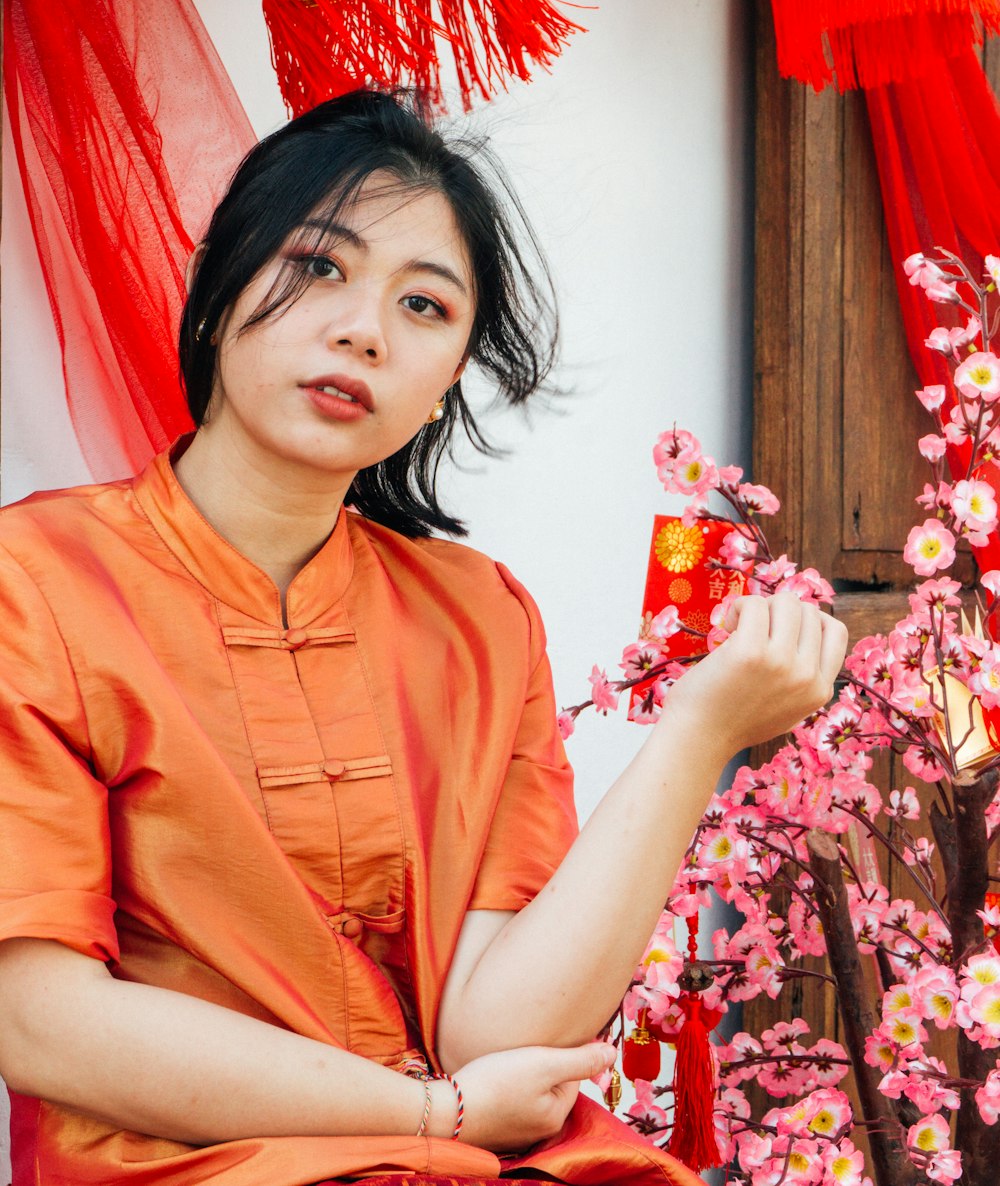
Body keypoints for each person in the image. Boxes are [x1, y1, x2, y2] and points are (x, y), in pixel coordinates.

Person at [0, 90, 847, 1186]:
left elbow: (498, 1033)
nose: (363, 328)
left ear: (447, 381)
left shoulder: (480, 616)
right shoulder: (36, 582)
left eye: (424, 306)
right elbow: (40, 1021)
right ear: (216, 287)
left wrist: (699, 732)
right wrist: (432, 1110)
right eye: (317, 266)